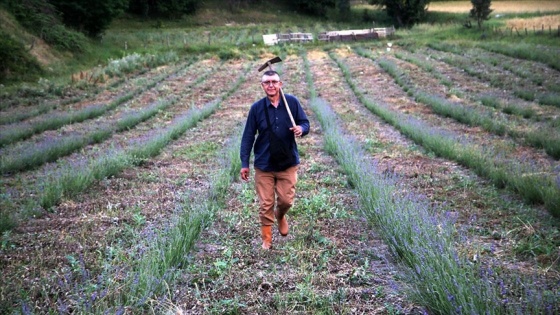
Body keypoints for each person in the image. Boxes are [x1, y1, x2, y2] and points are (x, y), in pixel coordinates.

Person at [240, 70, 310, 250]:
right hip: (264, 164)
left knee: (286, 200)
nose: (270, 85)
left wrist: (300, 129)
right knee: (266, 203)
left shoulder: (292, 102)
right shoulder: (257, 108)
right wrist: (244, 163)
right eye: (267, 82)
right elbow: (248, 136)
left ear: (280, 84)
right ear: (262, 86)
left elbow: (305, 122)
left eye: (274, 81)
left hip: (287, 162)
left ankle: (280, 215)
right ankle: (267, 239)